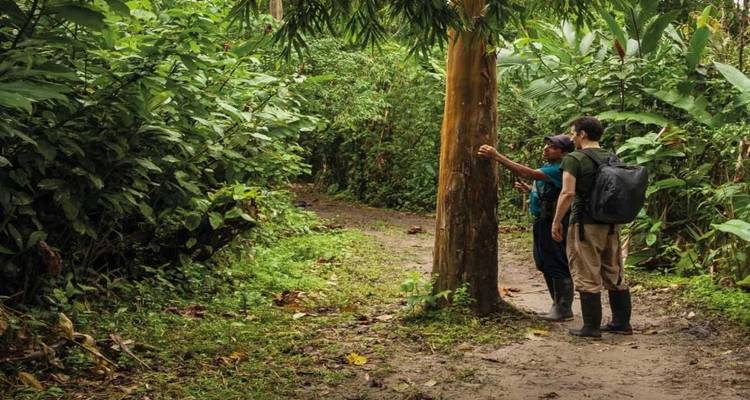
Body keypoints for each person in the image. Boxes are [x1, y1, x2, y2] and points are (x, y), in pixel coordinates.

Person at [477, 135, 575, 321]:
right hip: (542, 220)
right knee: (543, 262)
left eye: (552, 147)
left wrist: (497, 156)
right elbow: (548, 191)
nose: (546, 148)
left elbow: (528, 172)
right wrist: (530, 189)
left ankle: (563, 308)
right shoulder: (549, 167)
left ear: (563, 153)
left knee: (556, 262)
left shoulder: (559, 168)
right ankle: (557, 304)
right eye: (546, 145)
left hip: (553, 222)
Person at [551, 116, 633, 338]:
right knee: (613, 270)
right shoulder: (612, 156)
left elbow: (567, 193)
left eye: (573, 132)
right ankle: (621, 322)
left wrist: (557, 221)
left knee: (587, 270)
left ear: (582, 134)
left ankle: (591, 327)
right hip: (611, 223)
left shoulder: (574, 159)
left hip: (585, 223)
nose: (571, 136)